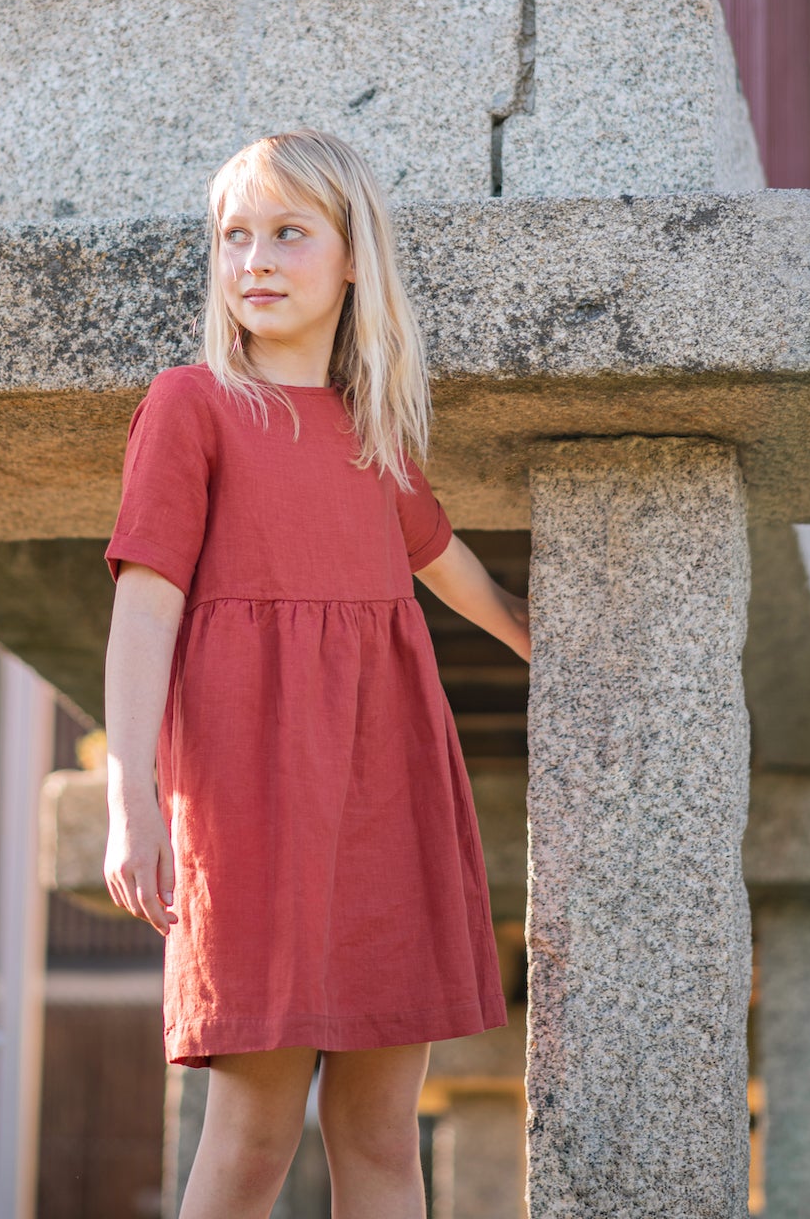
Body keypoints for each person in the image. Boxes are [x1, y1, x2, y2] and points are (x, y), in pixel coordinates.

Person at [102, 127, 531, 1219]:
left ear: (351, 258)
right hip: (248, 801)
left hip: (385, 790)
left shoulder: (374, 426)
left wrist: (557, 649)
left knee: (384, 1137)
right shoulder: (189, 406)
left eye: (288, 233)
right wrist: (130, 800)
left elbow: (444, 565)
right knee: (249, 1136)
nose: (254, 258)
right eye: (234, 235)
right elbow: (144, 608)